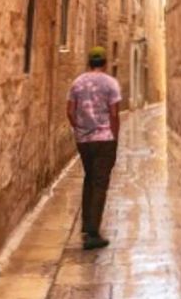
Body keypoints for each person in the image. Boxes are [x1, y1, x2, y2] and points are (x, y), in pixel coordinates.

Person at [66, 45, 121, 250]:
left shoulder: (77, 83)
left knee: (89, 179)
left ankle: (86, 225)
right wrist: (114, 138)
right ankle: (92, 233)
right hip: (104, 138)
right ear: (105, 63)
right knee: (99, 183)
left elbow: (70, 111)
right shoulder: (110, 83)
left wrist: (79, 129)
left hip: (84, 141)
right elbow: (114, 114)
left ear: (89, 63)